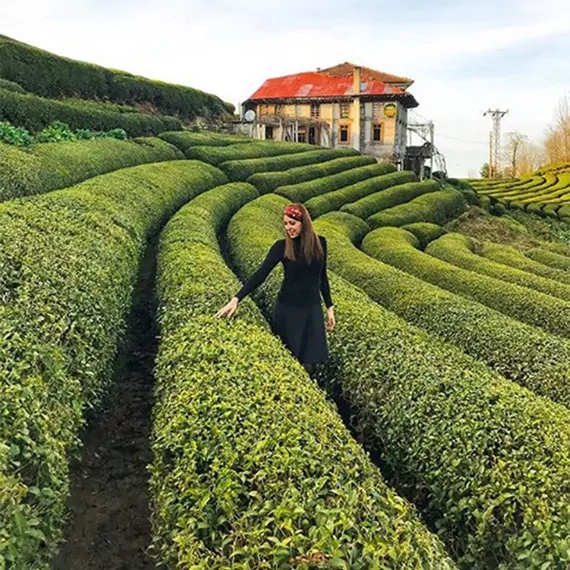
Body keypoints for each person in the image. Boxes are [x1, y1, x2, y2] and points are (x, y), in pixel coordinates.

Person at [215, 203, 335, 375]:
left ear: (304, 223)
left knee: (309, 365)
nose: (288, 228)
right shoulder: (281, 247)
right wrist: (236, 298)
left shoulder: (320, 243)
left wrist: (330, 308)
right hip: (288, 310)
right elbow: (260, 274)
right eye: (285, 224)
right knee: (290, 363)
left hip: (311, 310)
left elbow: (322, 277)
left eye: (292, 223)